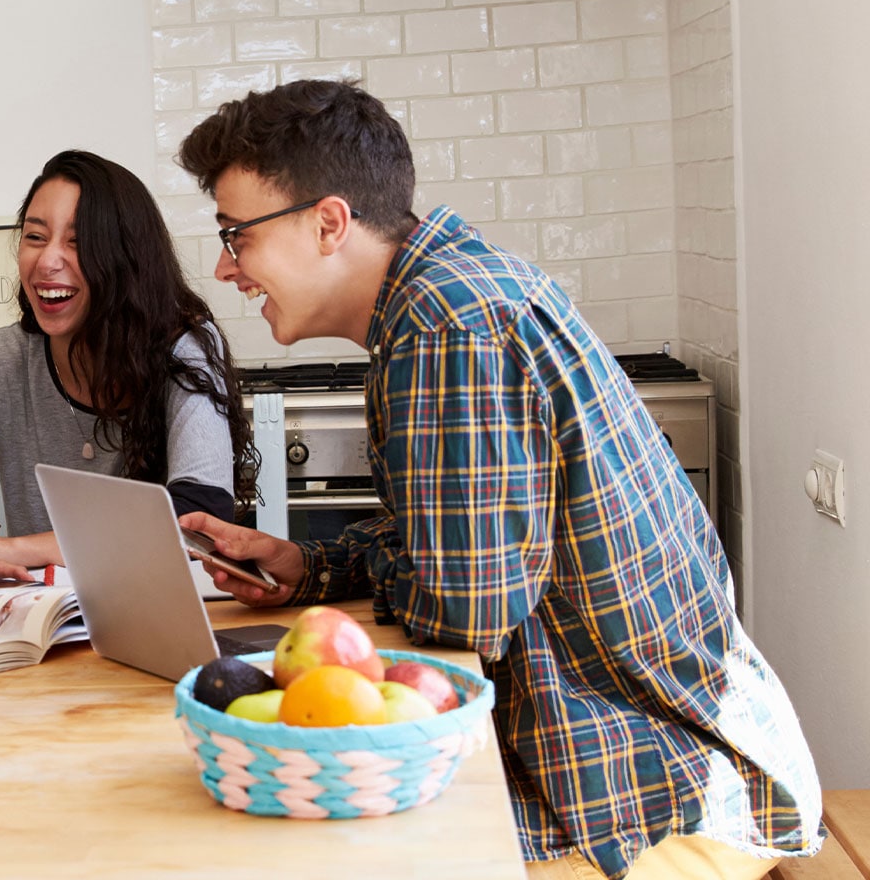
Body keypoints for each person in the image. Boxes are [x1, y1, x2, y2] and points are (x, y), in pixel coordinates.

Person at [175, 79, 822, 879]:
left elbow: (467, 615)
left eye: (236, 235)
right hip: (630, 757)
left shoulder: (448, 325)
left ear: (329, 223)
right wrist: (315, 567)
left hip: (643, 793)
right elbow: (462, 550)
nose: (224, 264)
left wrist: (366, 580)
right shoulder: (444, 296)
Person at [0, 149, 259, 592]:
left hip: (161, 612)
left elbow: (199, 527)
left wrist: (7, 549)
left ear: (127, 258)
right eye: (35, 237)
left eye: (77, 242)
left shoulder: (185, 351)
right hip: (43, 624)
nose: (48, 261)